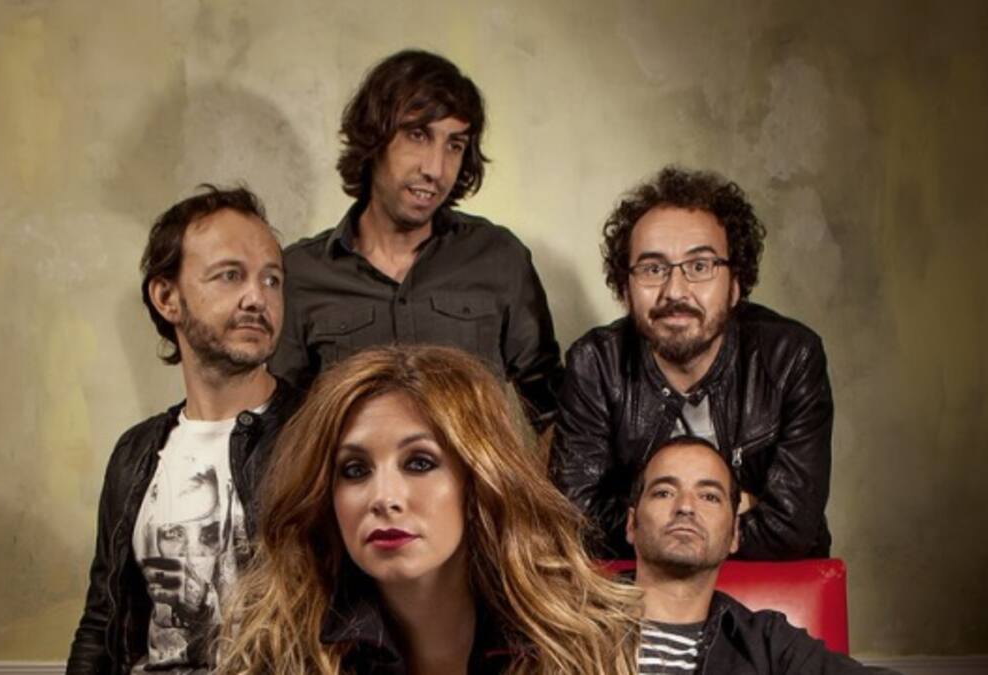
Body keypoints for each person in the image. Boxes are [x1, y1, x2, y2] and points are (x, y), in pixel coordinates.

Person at [217, 345, 639, 675]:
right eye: (355, 470)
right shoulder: (282, 652)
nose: (384, 497)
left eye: (419, 463)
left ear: (479, 480)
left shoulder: (582, 647)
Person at [67, 186, 302, 674]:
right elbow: (103, 622)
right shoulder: (135, 453)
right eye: (230, 275)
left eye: (272, 279)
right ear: (167, 297)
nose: (257, 298)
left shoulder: (317, 430)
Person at [270, 49, 563, 430]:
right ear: (375, 138)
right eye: (418, 135)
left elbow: (550, 408)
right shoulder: (300, 273)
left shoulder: (499, 257)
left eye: (454, 145)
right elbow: (277, 424)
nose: (435, 169)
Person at [550, 166, 834, 560]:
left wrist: (653, 517)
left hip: (765, 589)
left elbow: (792, 527)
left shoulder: (790, 358)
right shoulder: (595, 363)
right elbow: (575, 521)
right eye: (653, 269)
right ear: (625, 289)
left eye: (700, 267)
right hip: (637, 589)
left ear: (735, 285)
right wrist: (734, 506)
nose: (675, 291)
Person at [629, 437, 892, 674]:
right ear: (631, 524)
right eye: (664, 493)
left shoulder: (768, 643)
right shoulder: (599, 623)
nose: (686, 506)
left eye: (709, 496)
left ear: (734, 534)